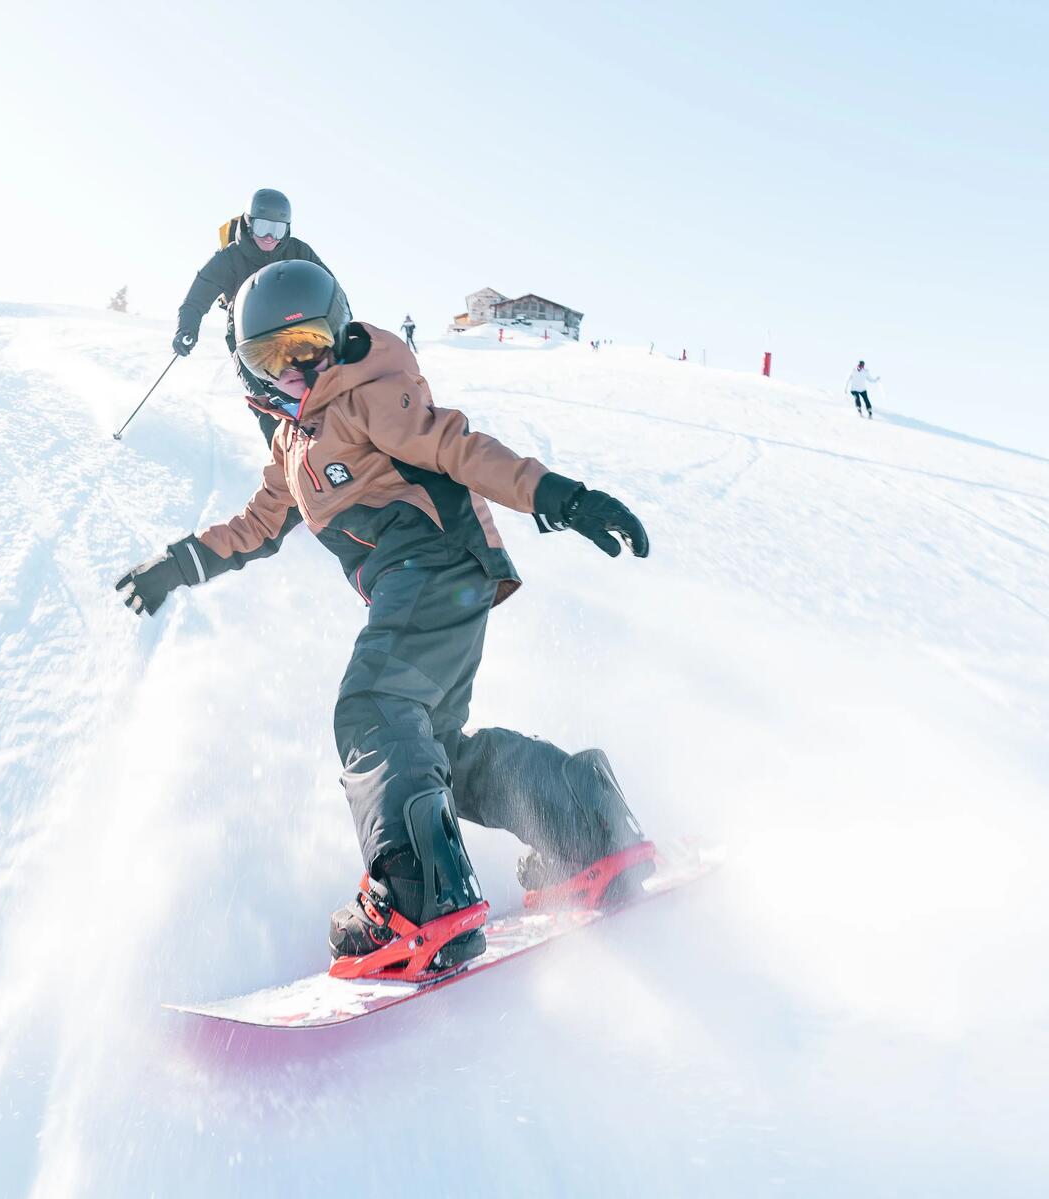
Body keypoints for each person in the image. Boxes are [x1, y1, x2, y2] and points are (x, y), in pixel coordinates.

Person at [116, 261, 654, 979]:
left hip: (431, 567)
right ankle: (585, 823)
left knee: (371, 708)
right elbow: (258, 524)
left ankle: (415, 899)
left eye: (309, 343)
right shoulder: (292, 444)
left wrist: (560, 495)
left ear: (336, 333)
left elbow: (458, 447)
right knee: (438, 755)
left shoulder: (371, 393)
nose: (299, 367)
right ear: (250, 372)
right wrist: (177, 565)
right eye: (275, 357)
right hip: (435, 586)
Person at [173, 188, 332, 444]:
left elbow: (329, 288)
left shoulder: (298, 251)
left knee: (317, 381)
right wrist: (187, 329)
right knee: (265, 393)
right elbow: (196, 298)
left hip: (295, 328)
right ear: (248, 224)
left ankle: (335, 445)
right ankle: (282, 457)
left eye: (278, 230)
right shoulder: (229, 259)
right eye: (263, 228)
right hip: (247, 337)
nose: (270, 237)